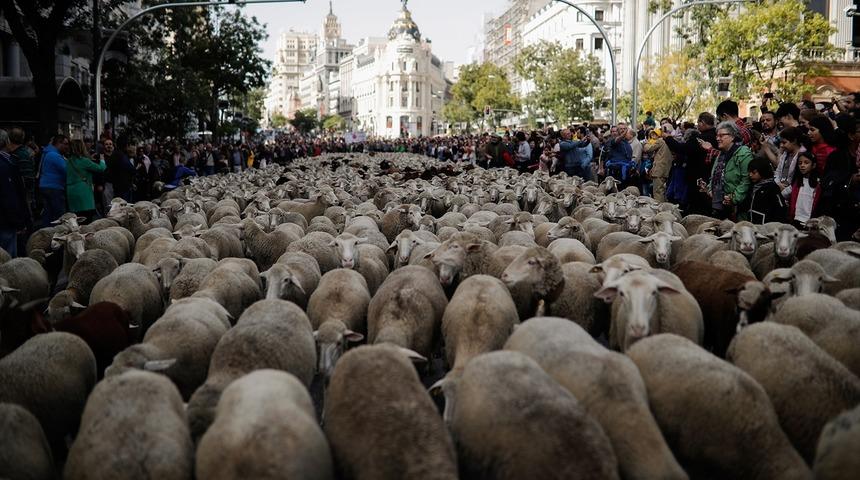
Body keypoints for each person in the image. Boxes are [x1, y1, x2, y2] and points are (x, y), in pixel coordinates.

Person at [702, 121, 754, 219]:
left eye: (721, 135)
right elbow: (713, 177)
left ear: (733, 136)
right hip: (720, 206)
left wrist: (734, 198)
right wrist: (710, 189)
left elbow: (746, 180)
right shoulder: (721, 155)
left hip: (738, 209)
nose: (717, 138)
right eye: (717, 135)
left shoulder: (743, 153)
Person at [0, 129, 30, 257]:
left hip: (5, 218)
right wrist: (18, 221)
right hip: (5, 221)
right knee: (8, 259)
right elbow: (8, 195)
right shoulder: (5, 164)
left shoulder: (9, 161)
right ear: (6, 141)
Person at [65, 139, 106, 224]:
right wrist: (102, 159)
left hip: (70, 191)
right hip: (83, 192)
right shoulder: (84, 161)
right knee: (86, 219)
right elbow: (101, 168)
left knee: (75, 219)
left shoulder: (68, 161)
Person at [740, 156, 787, 224]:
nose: (750, 175)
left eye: (754, 172)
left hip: (767, 227)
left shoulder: (772, 187)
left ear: (763, 171)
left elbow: (780, 209)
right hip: (754, 225)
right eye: (749, 172)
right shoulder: (753, 187)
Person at [38, 134, 69, 226]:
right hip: (54, 187)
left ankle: (47, 233)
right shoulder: (55, 156)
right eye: (65, 144)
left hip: (46, 186)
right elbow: (67, 170)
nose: (67, 147)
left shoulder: (48, 153)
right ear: (59, 143)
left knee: (48, 213)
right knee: (58, 214)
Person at [788, 151, 821, 228]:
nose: (802, 165)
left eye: (806, 163)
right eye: (800, 163)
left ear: (813, 165)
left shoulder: (818, 183)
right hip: (796, 219)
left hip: (810, 221)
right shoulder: (797, 182)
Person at [774, 127, 808, 198]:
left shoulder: (803, 155)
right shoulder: (785, 154)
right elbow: (778, 171)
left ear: (794, 141)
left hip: (793, 195)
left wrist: (783, 193)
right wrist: (778, 184)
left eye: (784, 142)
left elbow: (798, 181)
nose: (781, 146)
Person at [644, 128, 672, 202]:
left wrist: (646, 143)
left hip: (659, 170)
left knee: (657, 192)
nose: (653, 136)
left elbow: (648, 149)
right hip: (665, 169)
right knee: (662, 191)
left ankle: (659, 209)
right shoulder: (672, 141)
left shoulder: (661, 141)